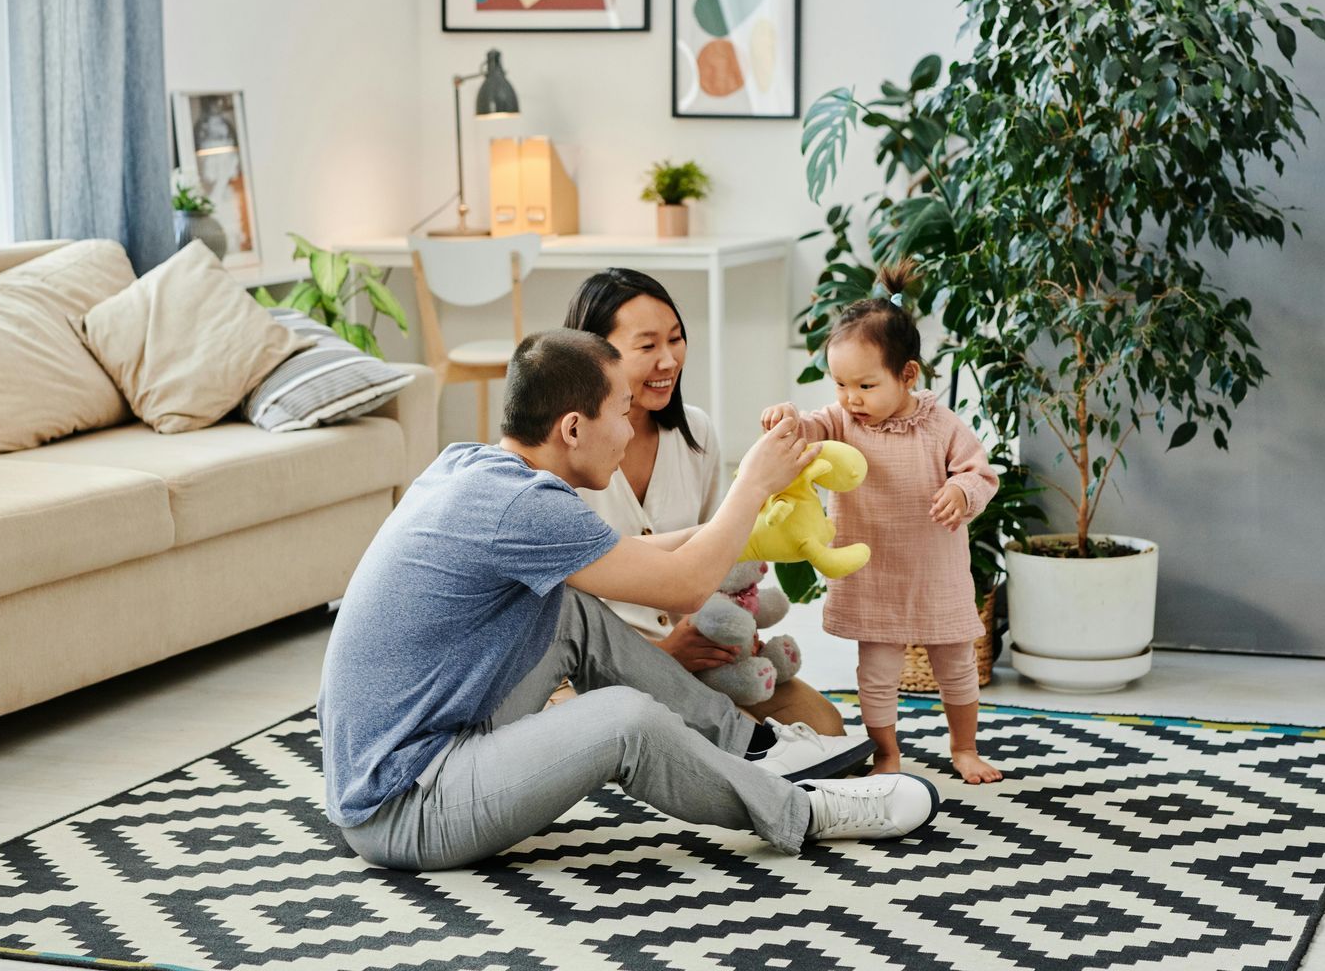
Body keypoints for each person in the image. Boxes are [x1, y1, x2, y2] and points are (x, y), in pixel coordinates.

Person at [320, 329, 940, 870]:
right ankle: (801, 813)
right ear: (572, 428)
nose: (629, 427)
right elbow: (685, 587)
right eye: (622, 412)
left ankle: (752, 747)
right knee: (623, 720)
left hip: (427, 748)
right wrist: (750, 483)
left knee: (568, 611)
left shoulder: (477, 468)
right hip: (404, 804)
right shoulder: (524, 506)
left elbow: (632, 557)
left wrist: (746, 524)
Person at [564, 268, 846, 736]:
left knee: (826, 732)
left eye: (676, 339)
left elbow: (724, 552)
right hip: (603, 673)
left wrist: (728, 627)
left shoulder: (695, 433)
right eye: (648, 346)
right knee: (751, 750)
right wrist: (658, 656)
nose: (670, 360)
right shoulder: (565, 456)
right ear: (596, 355)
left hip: (703, 652)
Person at [760, 275, 1002, 784]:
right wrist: (787, 418)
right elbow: (809, 428)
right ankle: (887, 752)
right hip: (874, 572)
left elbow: (979, 471)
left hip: (936, 570)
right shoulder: (841, 419)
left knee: (956, 665)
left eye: (866, 385)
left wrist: (961, 492)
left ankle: (963, 747)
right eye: (841, 385)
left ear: (908, 374)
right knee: (876, 674)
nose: (851, 398)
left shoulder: (940, 425)